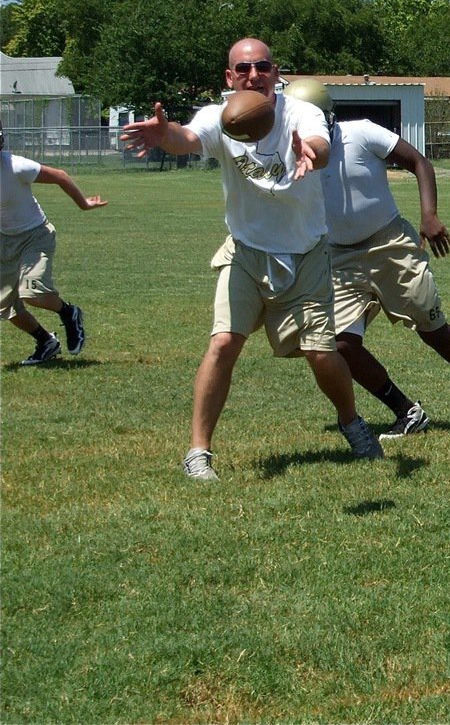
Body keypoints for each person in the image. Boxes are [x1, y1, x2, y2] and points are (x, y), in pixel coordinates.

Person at [121, 38, 382, 481]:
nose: (252, 75)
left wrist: (310, 153)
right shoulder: (220, 116)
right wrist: (164, 134)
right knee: (223, 342)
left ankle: (350, 421)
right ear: (229, 77)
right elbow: (187, 139)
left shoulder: (299, 111)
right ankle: (198, 453)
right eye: (243, 69)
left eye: (261, 66)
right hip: (245, 250)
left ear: (275, 71)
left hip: (305, 253)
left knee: (322, 353)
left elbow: (319, 146)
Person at [283, 79, 450, 436]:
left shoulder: (360, 133)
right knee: (340, 343)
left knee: (432, 330)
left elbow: (418, 162)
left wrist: (429, 215)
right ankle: (406, 410)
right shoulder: (290, 157)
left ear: (327, 117)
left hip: (389, 243)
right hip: (339, 257)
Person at [1, 125, 104, 365]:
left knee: (33, 292)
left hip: (35, 235)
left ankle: (69, 312)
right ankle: (46, 341)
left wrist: (84, 204)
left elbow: (60, 175)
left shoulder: (15, 166)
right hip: (5, 239)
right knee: (5, 307)